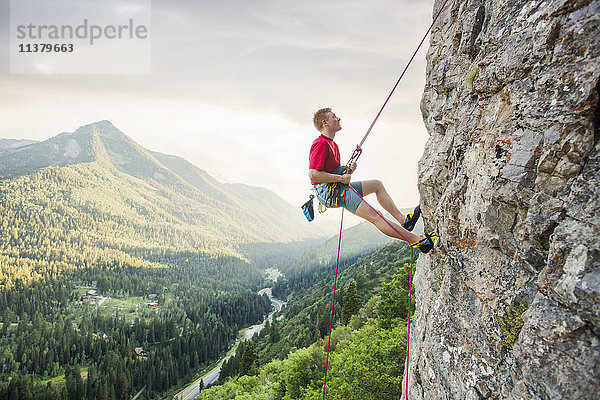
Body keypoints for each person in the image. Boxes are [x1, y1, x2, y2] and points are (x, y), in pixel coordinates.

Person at [308, 107, 435, 253]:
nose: (338, 119)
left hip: (335, 188)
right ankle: (419, 241)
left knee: (376, 185)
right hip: (331, 192)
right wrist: (341, 178)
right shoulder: (321, 143)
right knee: (376, 216)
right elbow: (313, 174)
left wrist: (347, 170)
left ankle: (404, 221)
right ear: (325, 123)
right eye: (333, 117)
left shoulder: (332, 144)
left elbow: (328, 172)